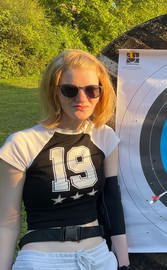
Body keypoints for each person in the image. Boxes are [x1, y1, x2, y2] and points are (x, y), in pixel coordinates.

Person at [0, 49, 131, 270]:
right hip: (42, 261)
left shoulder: (105, 136)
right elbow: (7, 223)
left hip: (97, 257)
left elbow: (112, 203)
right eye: (70, 90)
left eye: (92, 90)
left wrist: (124, 262)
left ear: (102, 92)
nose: (82, 99)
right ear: (54, 92)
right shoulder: (21, 144)